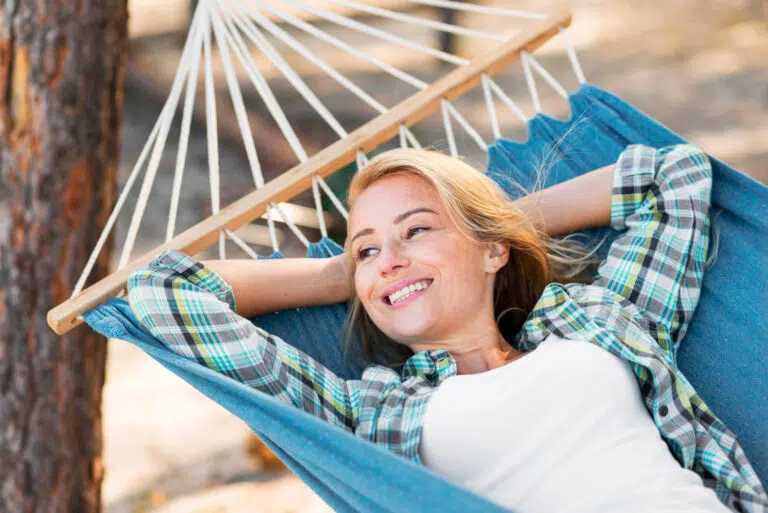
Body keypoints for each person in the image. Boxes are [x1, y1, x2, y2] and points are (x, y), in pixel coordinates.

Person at [128, 144, 767, 513]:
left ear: (494, 252)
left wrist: (489, 226)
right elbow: (163, 292)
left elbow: (671, 177)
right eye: (368, 249)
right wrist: (339, 275)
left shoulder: (597, 321)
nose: (391, 258)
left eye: (416, 229)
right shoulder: (370, 414)